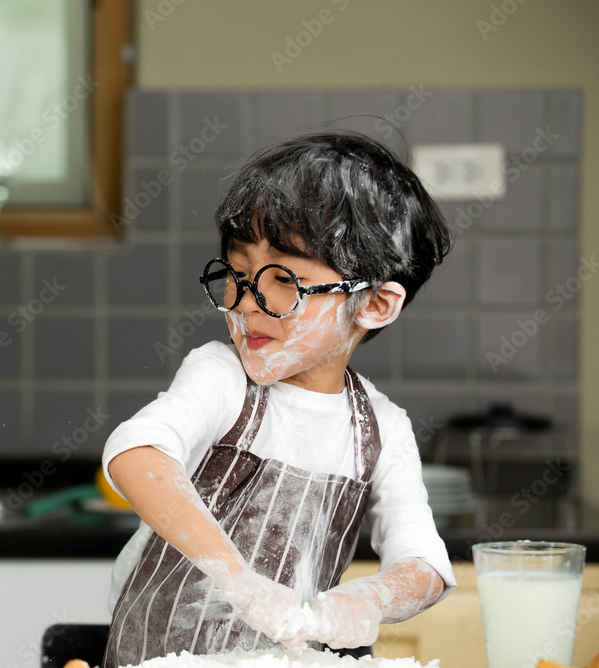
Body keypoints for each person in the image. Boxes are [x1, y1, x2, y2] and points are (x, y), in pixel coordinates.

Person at [101, 131, 457, 667]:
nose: (247, 302)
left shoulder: (381, 430)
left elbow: (425, 564)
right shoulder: (221, 378)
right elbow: (137, 452)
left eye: (284, 279)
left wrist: (370, 598)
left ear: (377, 304)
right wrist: (238, 579)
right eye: (238, 273)